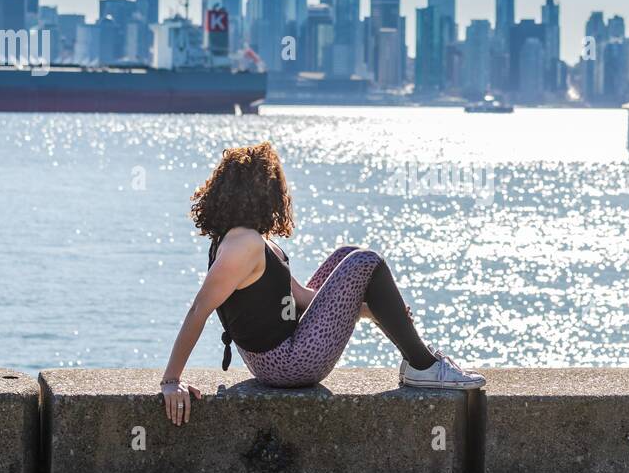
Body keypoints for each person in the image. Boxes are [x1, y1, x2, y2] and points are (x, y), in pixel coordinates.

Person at [159, 142, 485, 425]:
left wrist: (374, 312)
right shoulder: (242, 245)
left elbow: (301, 298)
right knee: (365, 261)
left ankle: (418, 360)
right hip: (287, 364)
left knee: (348, 254)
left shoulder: (255, 241)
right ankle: (424, 366)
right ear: (264, 191)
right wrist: (172, 380)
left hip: (284, 353)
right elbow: (199, 309)